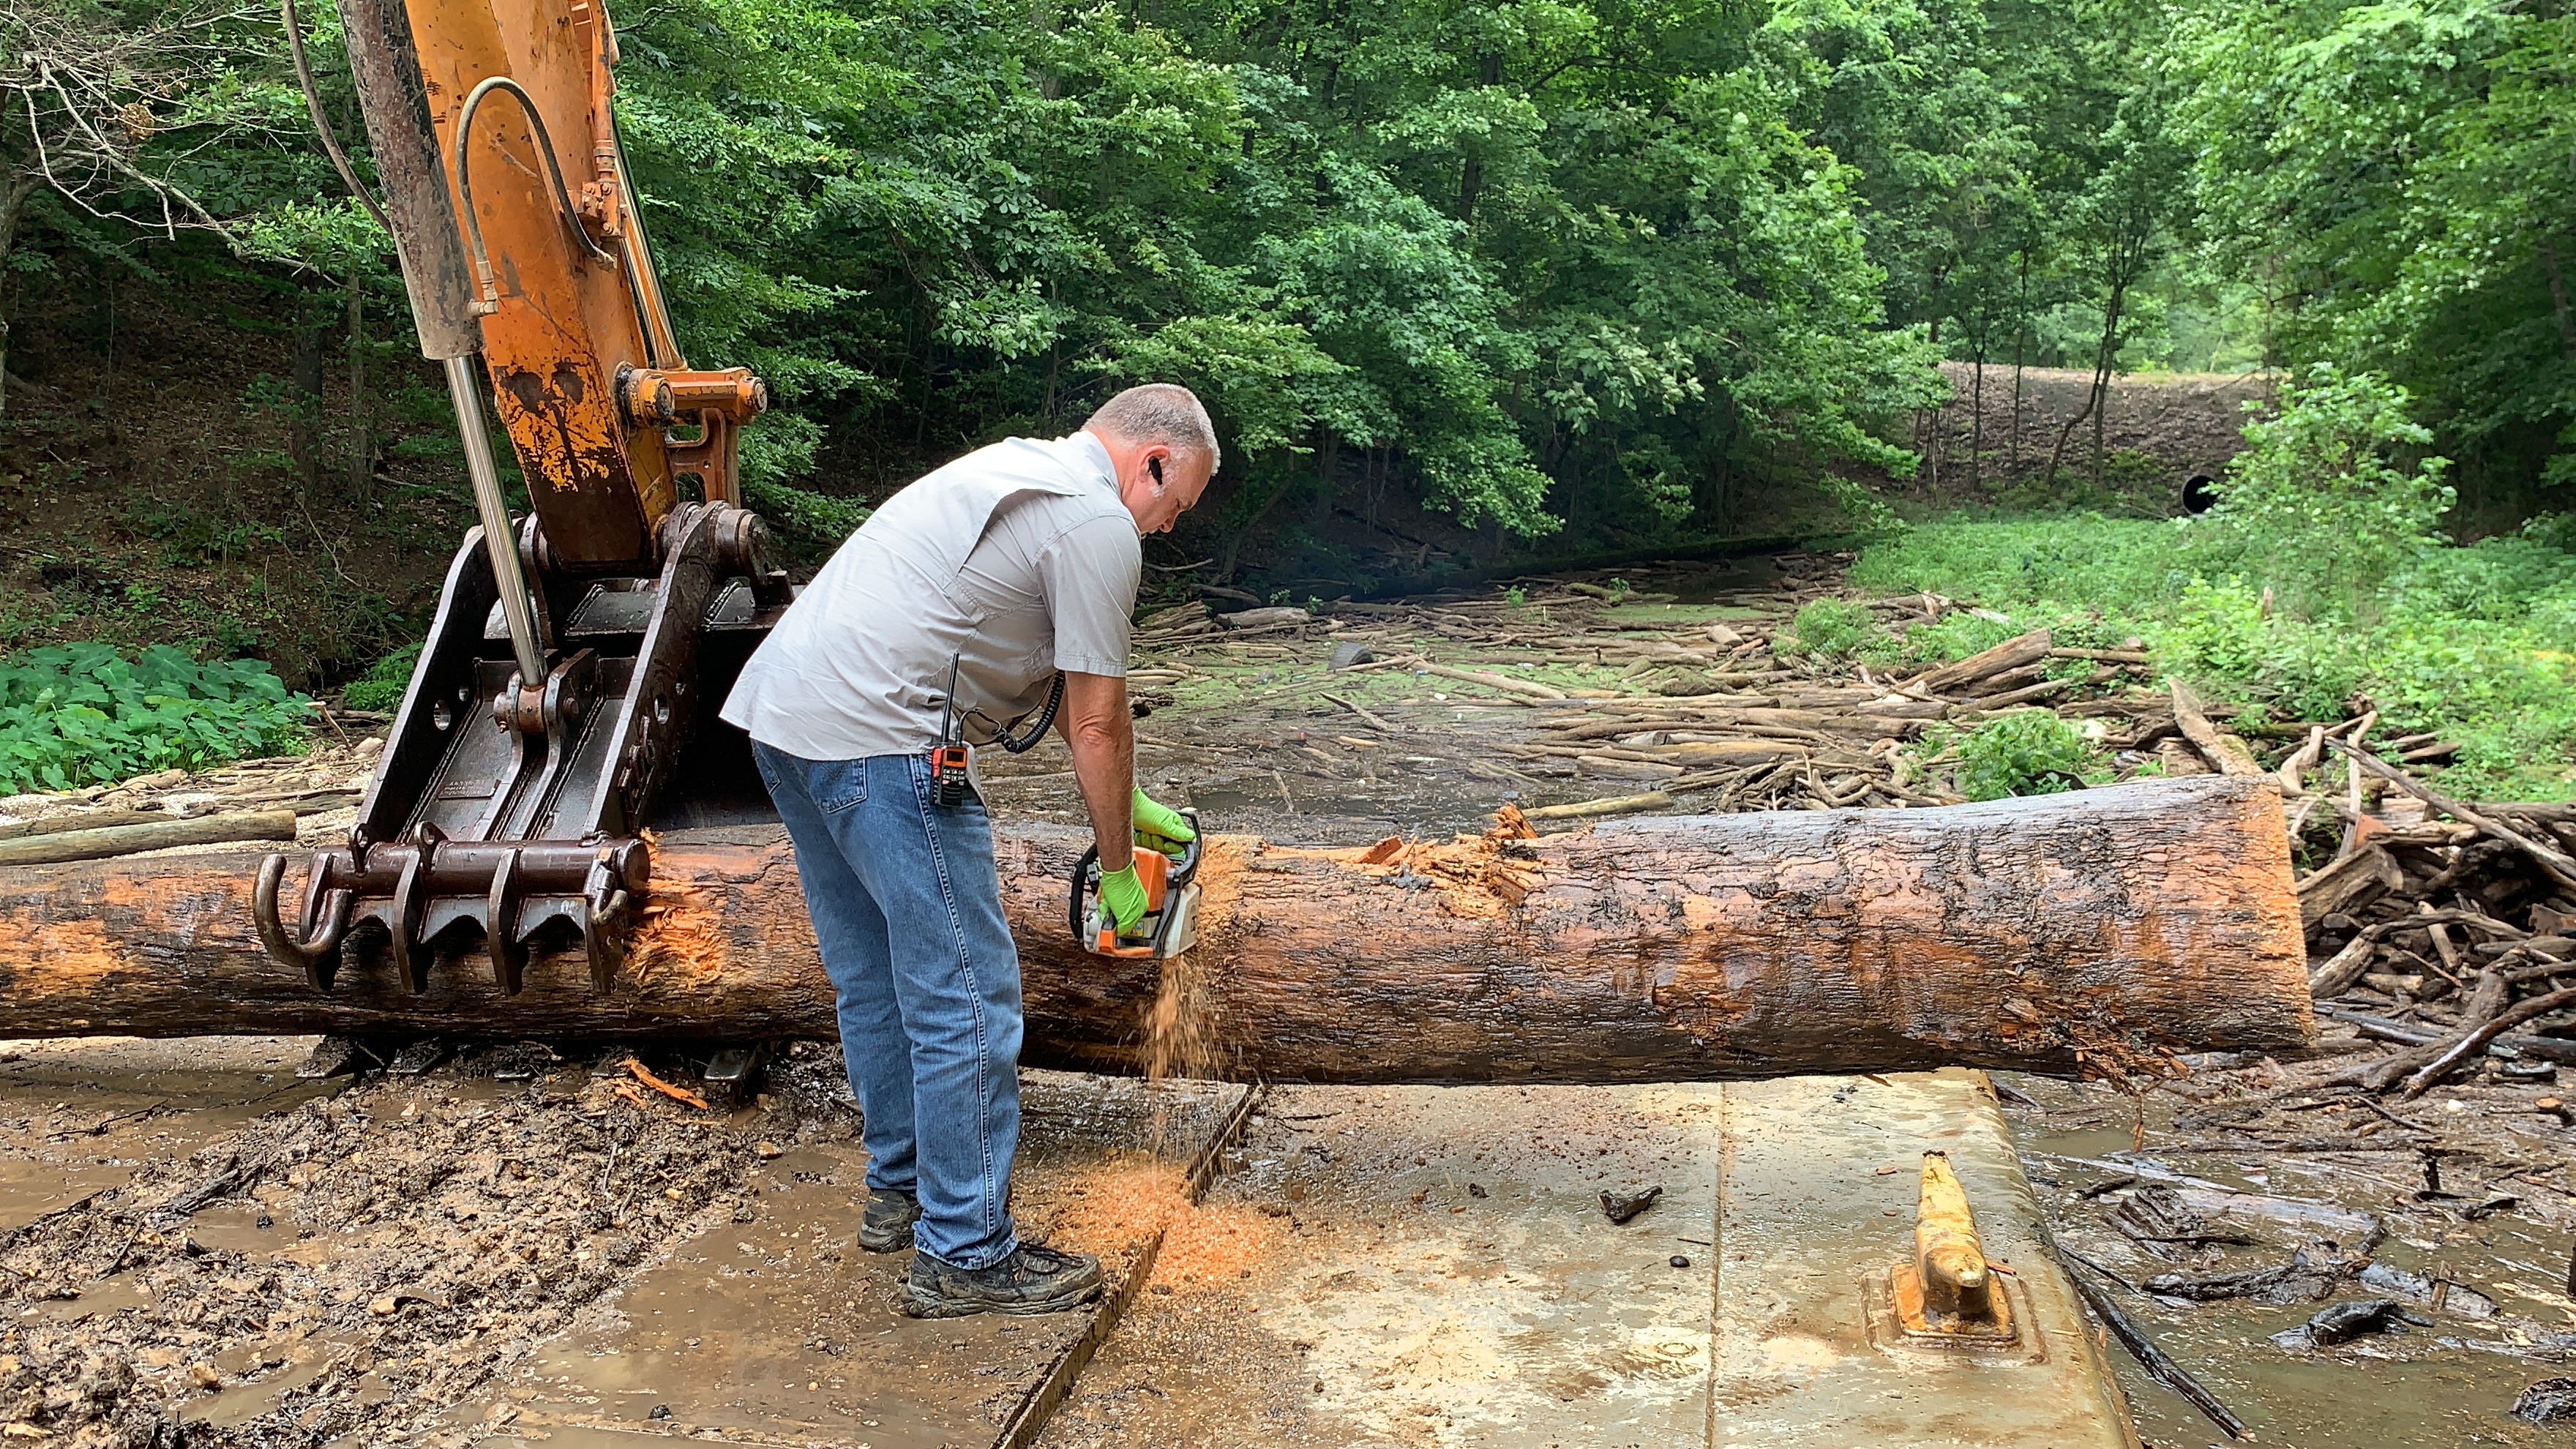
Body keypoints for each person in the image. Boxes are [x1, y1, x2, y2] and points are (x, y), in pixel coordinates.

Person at [719, 384, 1218, 1318]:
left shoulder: (1017, 467)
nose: (1164, 528)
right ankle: (965, 1252)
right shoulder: (1096, 521)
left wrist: (1131, 805)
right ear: (1153, 461)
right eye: (1175, 506)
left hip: (785, 718)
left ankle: (902, 1192)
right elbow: (1100, 719)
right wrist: (1118, 869)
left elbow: (1068, 689)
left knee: (875, 978)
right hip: (882, 737)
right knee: (968, 999)